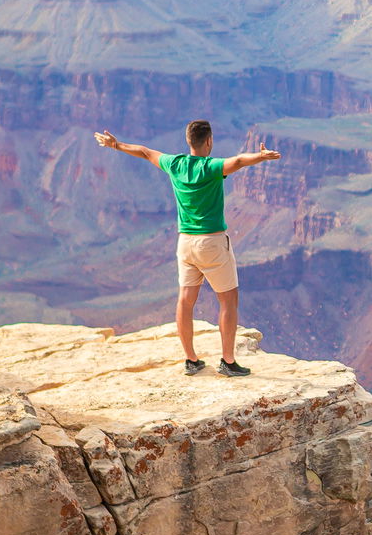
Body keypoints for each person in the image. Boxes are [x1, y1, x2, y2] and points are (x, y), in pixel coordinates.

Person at [93, 120, 280, 376]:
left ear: (188, 141)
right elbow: (237, 161)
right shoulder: (211, 167)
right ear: (209, 141)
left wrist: (116, 145)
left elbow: (145, 151)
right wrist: (261, 156)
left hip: (185, 243)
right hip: (212, 243)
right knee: (228, 301)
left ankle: (191, 360)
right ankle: (227, 361)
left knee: (185, 300)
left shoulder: (175, 164)